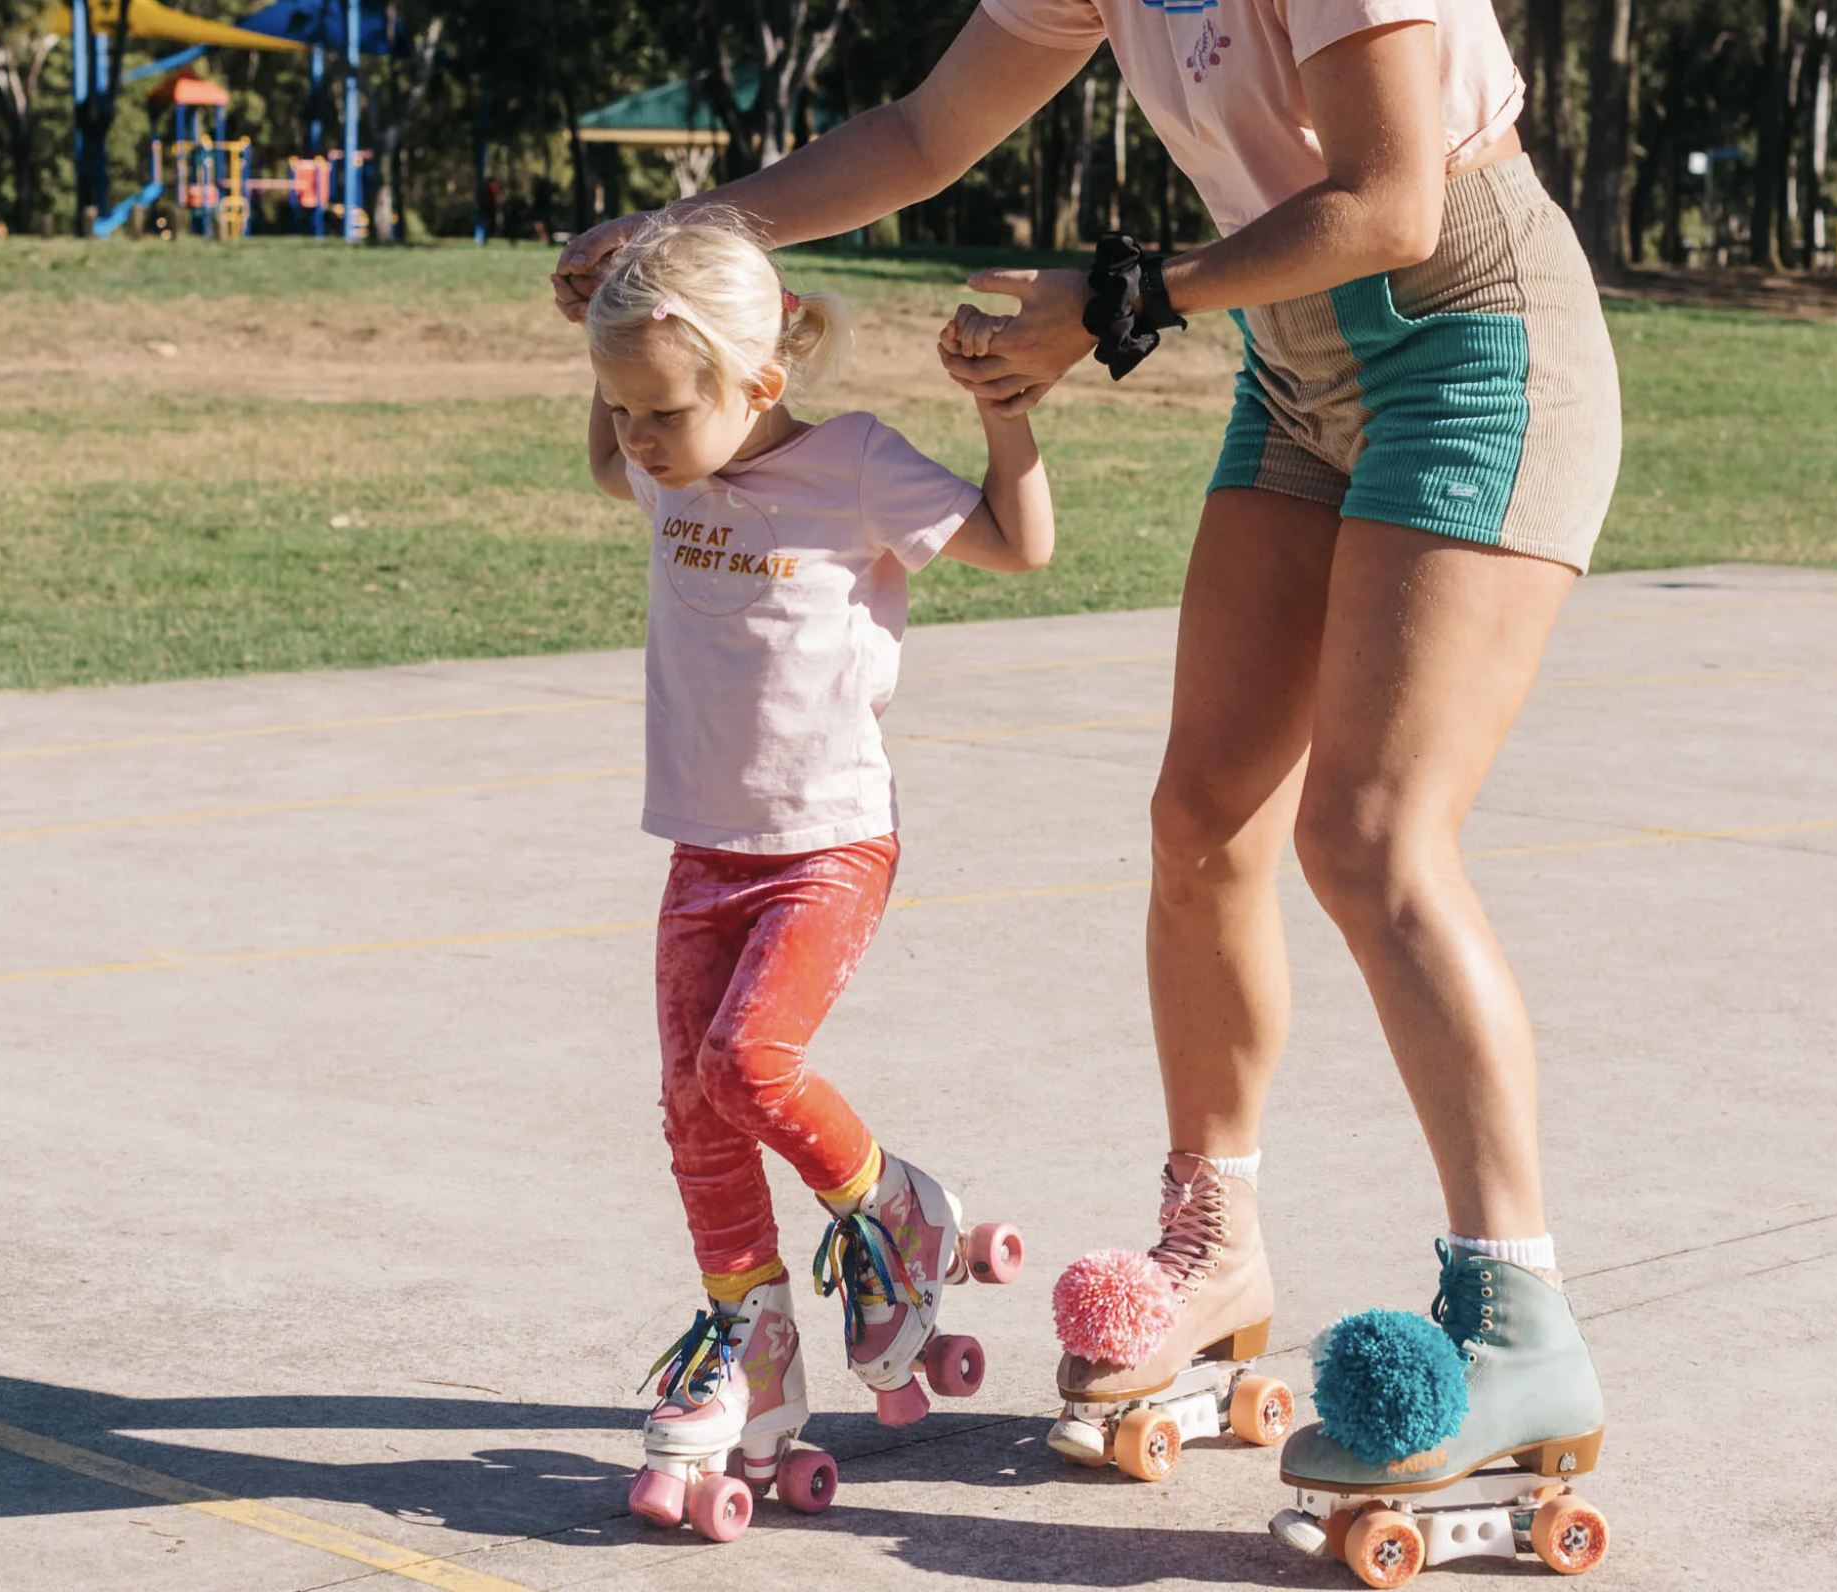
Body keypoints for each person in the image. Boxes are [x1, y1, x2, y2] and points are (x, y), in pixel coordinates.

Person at [555, 0, 1617, 1518]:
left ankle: (1519, 1318)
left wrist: (1118, 294)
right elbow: (925, 134)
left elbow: (1393, 201)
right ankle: (1217, 1241)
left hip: (1471, 335)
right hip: (1300, 377)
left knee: (1373, 838)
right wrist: (680, 240)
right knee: (1201, 825)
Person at [587, 216, 1048, 1537]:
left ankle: (897, 1209)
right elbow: (628, 445)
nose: (639, 444)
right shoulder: (667, 457)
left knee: (749, 1065)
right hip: (706, 846)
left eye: (662, 412)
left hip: (829, 843)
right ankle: (755, 1339)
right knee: (692, 1109)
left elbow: (1020, 547)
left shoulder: (854, 467)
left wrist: (1007, 418)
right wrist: (607, 347)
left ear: (762, 385)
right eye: (622, 412)